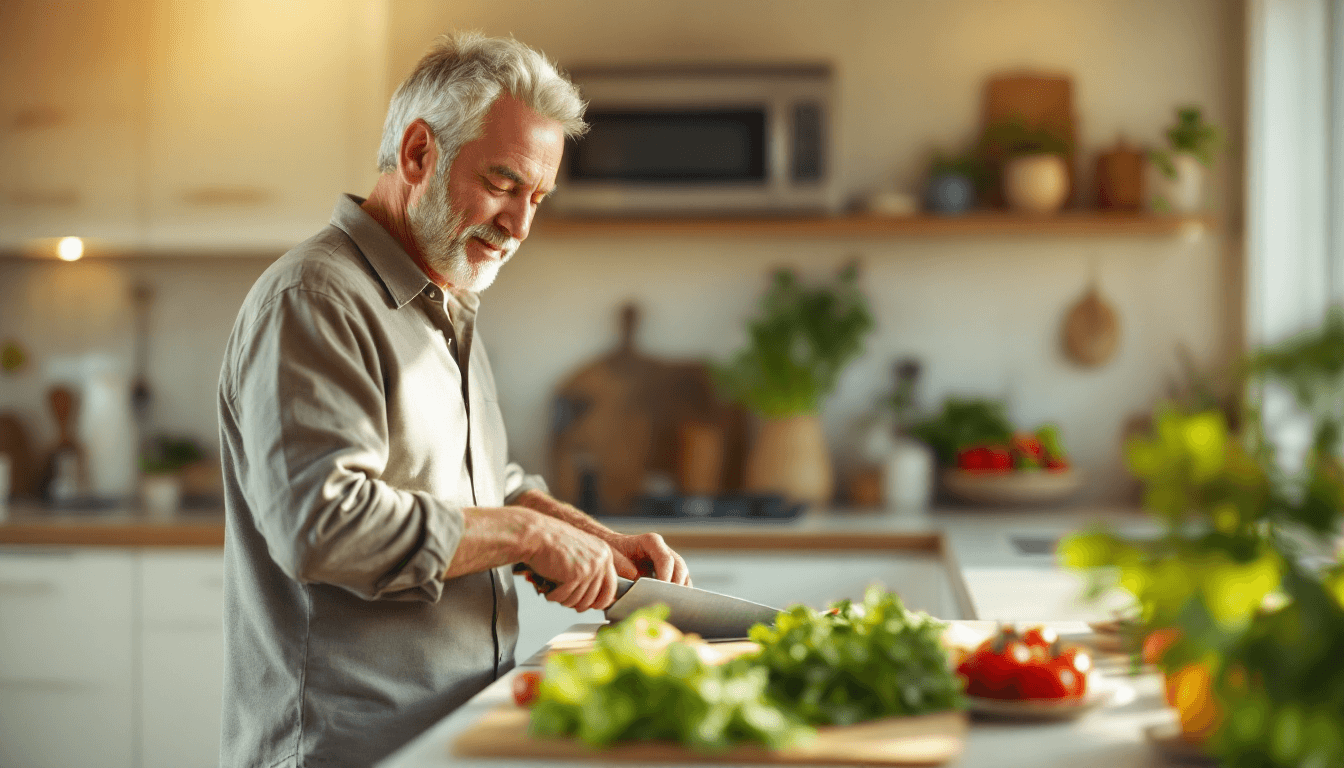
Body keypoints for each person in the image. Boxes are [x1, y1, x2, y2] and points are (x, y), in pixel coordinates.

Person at [216, 32, 690, 767]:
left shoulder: (444, 300)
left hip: (444, 739)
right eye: (503, 184)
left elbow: (480, 488)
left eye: (537, 198)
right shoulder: (315, 299)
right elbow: (320, 524)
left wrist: (588, 539)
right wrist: (530, 540)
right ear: (417, 155)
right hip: (347, 751)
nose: (521, 225)